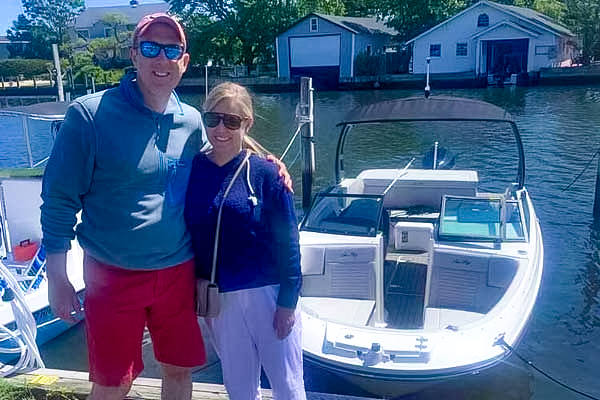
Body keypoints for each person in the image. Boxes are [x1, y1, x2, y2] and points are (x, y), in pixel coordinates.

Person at [41, 13, 207, 400]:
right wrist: (57, 278)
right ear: (134, 55)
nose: (161, 59)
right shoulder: (90, 116)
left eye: (171, 49)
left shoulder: (192, 121)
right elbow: (59, 201)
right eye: (150, 48)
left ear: (184, 60)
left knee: (179, 371)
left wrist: (270, 164)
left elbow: (219, 163)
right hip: (111, 274)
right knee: (113, 381)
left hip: (177, 271)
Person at [184, 82, 306, 400]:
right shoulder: (191, 169)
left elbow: (289, 243)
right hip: (218, 298)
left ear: (246, 123)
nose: (221, 129)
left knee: (287, 386)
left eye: (232, 121)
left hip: (268, 293)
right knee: (238, 388)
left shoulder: (266, 174)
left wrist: (288, 302)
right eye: (213, 119)